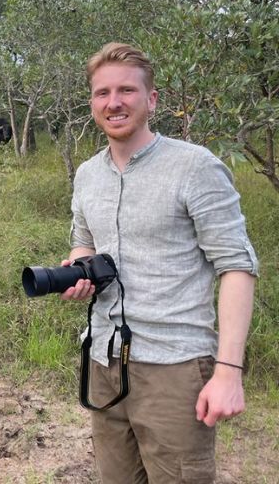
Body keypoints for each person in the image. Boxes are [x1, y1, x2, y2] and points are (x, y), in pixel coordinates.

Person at [64, 42, 258, 483]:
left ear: (151, 100)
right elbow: (83, 241)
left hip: (175, 368)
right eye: (101, 93)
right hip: (103, 359)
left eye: (127, 91)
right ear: (92, 102)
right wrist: (80, 268)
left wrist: (228, 372)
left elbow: (237, 267)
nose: (114, 103)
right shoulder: (88, 174)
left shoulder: (194, 167)